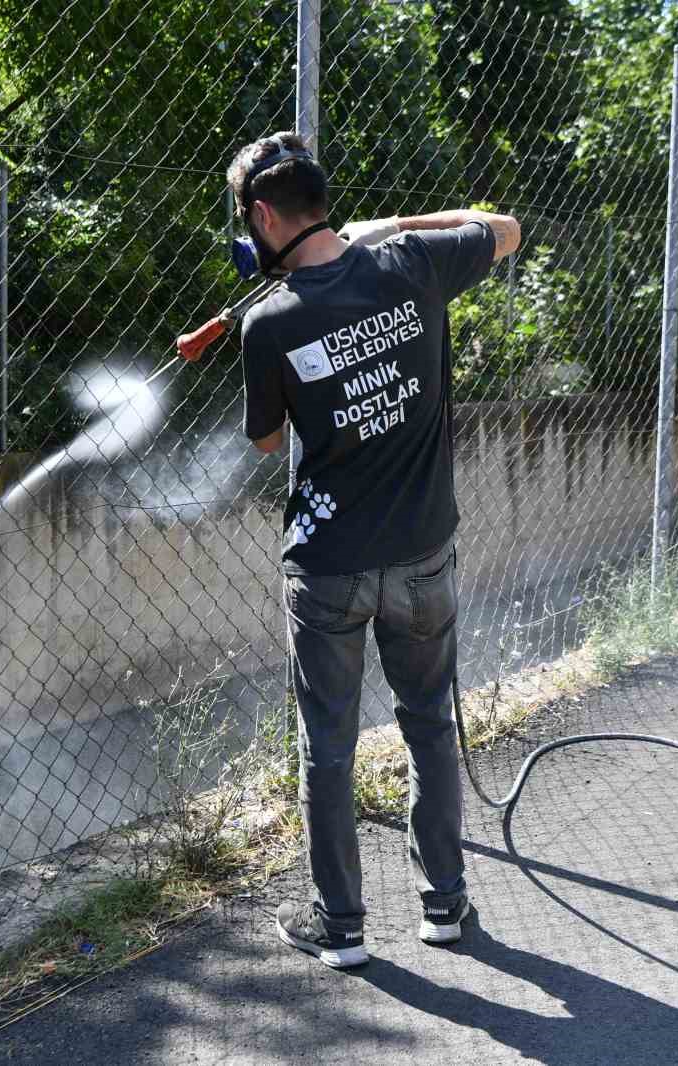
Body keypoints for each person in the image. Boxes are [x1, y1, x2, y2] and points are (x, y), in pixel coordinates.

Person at [226, 131, 519, 967]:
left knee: (330, 745)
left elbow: (263, 441)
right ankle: (445, 907)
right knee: (427, 724)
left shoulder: (271, 322)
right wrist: (393, 230)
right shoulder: (413, 267)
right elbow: (503, 226)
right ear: (327, 205)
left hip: (326, 568)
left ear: (260, 216)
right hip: (424, 552)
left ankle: (342, 926)